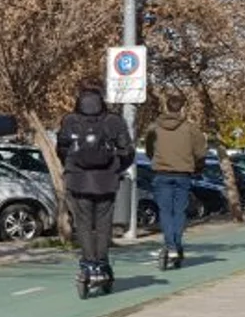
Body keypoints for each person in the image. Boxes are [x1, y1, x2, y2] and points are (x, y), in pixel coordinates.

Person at [58, 79, 134, 285]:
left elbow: (62, 148)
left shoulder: (70, 120)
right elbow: (128, 151)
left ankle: (89, 263)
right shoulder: (114, 121)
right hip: (106, 180)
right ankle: (101, 263)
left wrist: (73, 165)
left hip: (78, 180)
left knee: (82, 223)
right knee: (103, 223)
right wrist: (116, 168)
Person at [145, 92, 202, 265]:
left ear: (166, 107)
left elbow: (149, 150)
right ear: (183, 109)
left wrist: (158, 158)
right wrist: (195, 163)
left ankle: (170, 245)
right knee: (179, 211)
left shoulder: (154, 128)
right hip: (183, 173)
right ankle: (175, 244)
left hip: (161, 173)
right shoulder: (191, 129)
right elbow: (200, 152)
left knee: (165, 211)